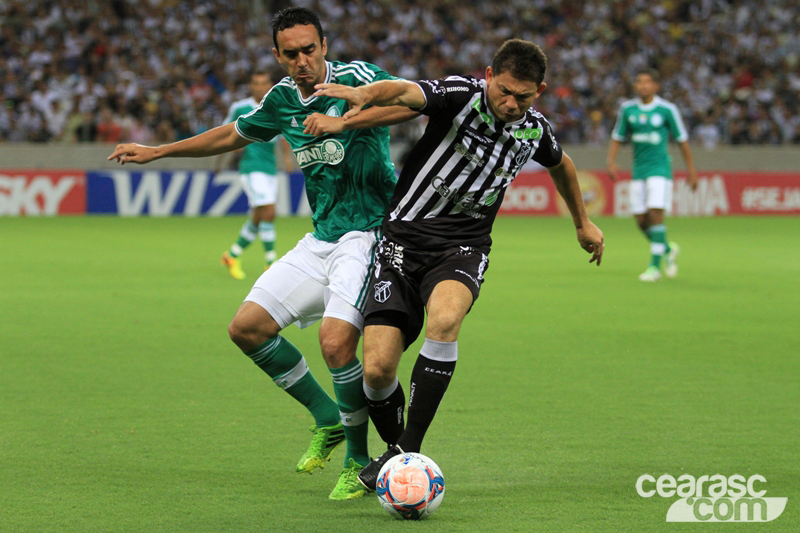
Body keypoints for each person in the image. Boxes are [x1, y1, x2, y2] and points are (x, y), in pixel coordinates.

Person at [108, 7, 418, 500]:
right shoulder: (281, 99)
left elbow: (412, 103)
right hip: (322, 237)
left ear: (324, 45)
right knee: (247, 327)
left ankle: (358, 460)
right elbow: (232, 134)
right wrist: (159, 150)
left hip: (369, 233)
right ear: (278, 55)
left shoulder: (358, 77)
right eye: (291, 54)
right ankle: (326, 417)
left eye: (309, 50)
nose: (302, 60)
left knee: (336, 343)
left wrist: (347, 121)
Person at [312, 38, 605, 490]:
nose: (511, 103)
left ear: (540, 91)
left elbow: (562, 165)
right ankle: (396, 454)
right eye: (504, 91)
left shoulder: (535, 131)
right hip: (401, 245)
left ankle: (405, 450)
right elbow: (408, 92)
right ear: (489, 76)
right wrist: (367, 94)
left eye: (523, 96)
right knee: (376, 370)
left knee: (445, 320)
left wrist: (582, 222)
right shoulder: (461, 95)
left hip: (462, 248)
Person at [607, 68, 698, 282]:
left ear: (656, 86)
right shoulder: (628, 109)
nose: (643, 86)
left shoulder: (667, 110)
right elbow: (618, 137)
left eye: (648, 82)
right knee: (641, 220)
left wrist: (691, 171)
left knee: (656, 215)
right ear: (635, 86)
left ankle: (654, 268)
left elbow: (682, 141)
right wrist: (611, 162)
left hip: (660, 170)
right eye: (639, 82)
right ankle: (667, 248)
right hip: (639, 170)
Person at [218, 72, 294, 279]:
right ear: (251, 86)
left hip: (270, 168)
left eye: (264, 83)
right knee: (269, 211)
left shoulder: (276, 106)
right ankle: (270, 263)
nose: (260, 87)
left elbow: (283, 135)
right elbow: (224, 132)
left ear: (270, 85)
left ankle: (232, 255)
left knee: (260, 216)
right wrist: (223, 158)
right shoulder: (240, 108)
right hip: (252, 167)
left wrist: (287, 159)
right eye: (256, 83)